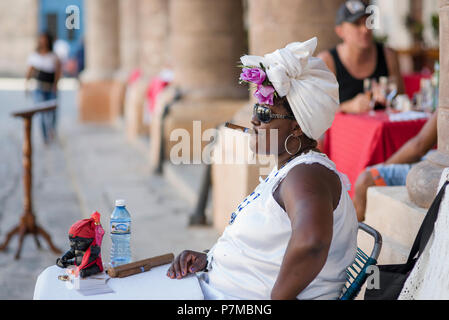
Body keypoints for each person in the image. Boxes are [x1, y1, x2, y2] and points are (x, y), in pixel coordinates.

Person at [166, 38, 358, 300]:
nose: (254, 120)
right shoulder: (291, 169)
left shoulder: (307, 175)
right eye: (257, 109)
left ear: (297, 126)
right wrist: (211, 259)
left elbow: (312, 242)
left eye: (266, 115)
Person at [317, 0, 404, 114]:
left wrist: (388, 98)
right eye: (357, 23)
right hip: (345, 130)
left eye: (369, 22)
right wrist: (347, 107)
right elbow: (317, 112)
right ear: (340, 31)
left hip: (382, 129)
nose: (365, 29)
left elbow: (402, 100)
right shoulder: (327, 60)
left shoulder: (388, 55)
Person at [353, 111, 438, 221]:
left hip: (442, 169)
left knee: (365, 181)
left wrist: (379, 170)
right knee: (368, 178)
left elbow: (419, 146)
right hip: (437, 158)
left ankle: (351, 235)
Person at [25, 32, 62, 144]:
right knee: (41, 113)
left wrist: (56, 85)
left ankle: (51, 130)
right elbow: (29, 71)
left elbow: (57, 71)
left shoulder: (53, 56)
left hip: (50, 87)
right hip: (39, 88)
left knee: (52, 112)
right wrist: (26, 85)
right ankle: (45, 136)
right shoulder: (34, 56)